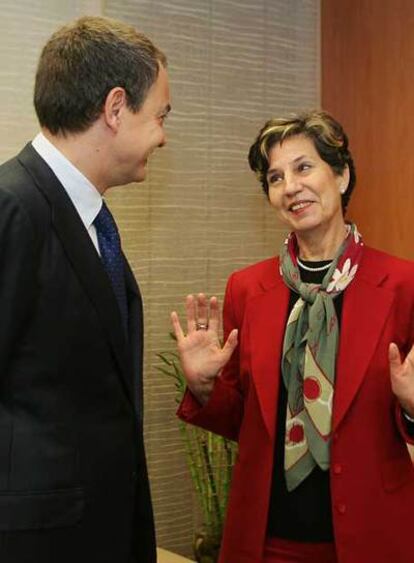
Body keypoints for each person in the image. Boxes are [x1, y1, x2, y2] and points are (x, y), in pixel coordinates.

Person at [171, 110, 414, 563]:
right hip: (265, 541)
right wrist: (205, 385)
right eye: (275, 177)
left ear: (341, 175)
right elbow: (247, 423)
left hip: (371, 538)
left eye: (304, 167)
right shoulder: (247, 289)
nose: (290, 186)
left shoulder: (403, 286)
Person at [0, 16, 170, 563]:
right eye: (160, 116)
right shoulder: (13, 206)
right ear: (116, 108)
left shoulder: (88, 217)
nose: (163, 137)